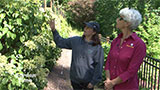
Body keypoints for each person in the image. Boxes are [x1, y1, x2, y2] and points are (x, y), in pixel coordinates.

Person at [49, 20, 104, 90]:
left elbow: (99, 66)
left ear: (94, 32)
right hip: (75, 81)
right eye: (85, 27)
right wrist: (54, 30)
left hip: (88, 83)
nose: (85, 29)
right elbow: (60, 42)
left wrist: (93, 82)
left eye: (88, 28)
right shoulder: (76, 41)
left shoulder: (97, 48)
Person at [104, 8, 146, 90]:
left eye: (120, 18)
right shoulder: (116, 40)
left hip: (127, 87)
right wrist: (108, 80)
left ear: (127, 23)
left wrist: (113, 83)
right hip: (110, 87)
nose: (117, 20)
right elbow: (108, 61)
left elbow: (131, 71)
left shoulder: (139, 44)